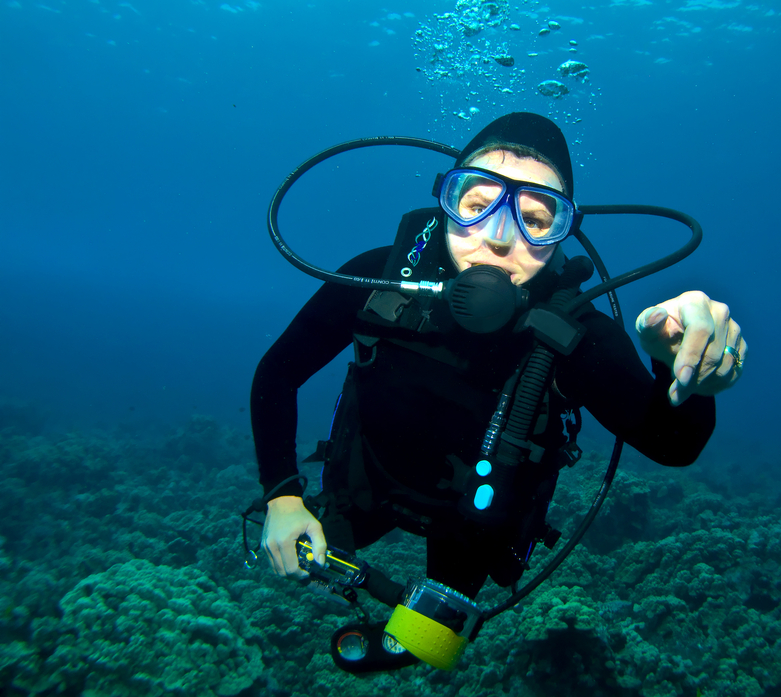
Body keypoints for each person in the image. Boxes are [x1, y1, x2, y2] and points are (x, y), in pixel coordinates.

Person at [250, 112, 746, 671]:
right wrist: (284, 496)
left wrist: (681, 369)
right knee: (319, 557)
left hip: (476, 525)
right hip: (362, 481)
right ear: (447, 202)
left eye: (536, 218)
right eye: (475, 203)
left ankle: (418, 634)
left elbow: (673, 444)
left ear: (563, 233)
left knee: (426, 647)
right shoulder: (379, 281)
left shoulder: (575, 336)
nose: (498, 236)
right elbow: (277, 373)